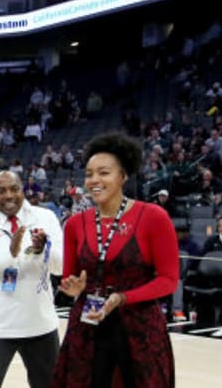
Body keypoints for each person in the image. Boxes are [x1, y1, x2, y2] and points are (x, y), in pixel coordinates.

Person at [52, 133, 179, 387]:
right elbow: (71, 277)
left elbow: (168, 280)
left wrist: (123, 298)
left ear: (123, 176)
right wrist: (72, 287)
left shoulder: (153, 216)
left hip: (139, 328)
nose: (94, 180)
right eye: (89, 174)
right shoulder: (75, 224)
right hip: (88, 324)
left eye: (104, 173)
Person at [0, 171, 63, 388]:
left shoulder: (45, 217)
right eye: (1, 191)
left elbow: (60, 267)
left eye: (14, 189)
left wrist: (43, 250)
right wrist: (9, 253)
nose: (9, 195)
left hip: (40, 324)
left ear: (23, 190)